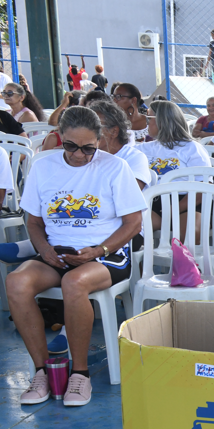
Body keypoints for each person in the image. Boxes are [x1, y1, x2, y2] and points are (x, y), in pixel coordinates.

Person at [6, 106, 146, 407]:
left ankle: (80, 374)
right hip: (57, 253)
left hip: (107, 254)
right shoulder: (44, 167)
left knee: (74, 282)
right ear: (59, 138)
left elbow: (134, 223)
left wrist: (99, 250)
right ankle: (44, 371)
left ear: (100, 141)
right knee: (16, 282)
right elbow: (34, 222)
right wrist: (44, 250)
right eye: (71, 146)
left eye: (88, 149)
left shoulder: (115, 167)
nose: (79, 155)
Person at [137, 100, 211, 231]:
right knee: (128, 224)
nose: (146, 122)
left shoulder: (191, 148)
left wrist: (173, 210)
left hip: (186, 202)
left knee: (191, 230)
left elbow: (203, 187)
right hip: (153, 202)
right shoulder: (143, 148)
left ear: (162, 121)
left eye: (149, 118)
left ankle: (185, 251)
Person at [88, 99, 150, 189]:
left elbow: (130, 192)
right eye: (87, 126)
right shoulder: (84, 155)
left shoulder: (134, 157)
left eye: (95, 127)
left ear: (114, 131)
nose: (88, 132)